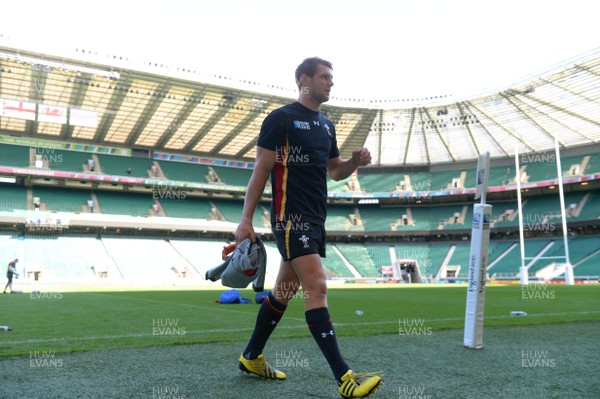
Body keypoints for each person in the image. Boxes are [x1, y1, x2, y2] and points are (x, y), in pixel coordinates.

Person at [234, 57, 382, 398]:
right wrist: (245, 220)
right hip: (290, 218)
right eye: (324, 77)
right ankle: (345, 378)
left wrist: (354, 163)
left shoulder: (326, 126)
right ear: (305, 80)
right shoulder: (281, 119)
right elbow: (261, 170)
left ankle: (250, 357)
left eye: (332, 77)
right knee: (317, 287)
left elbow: (335, 171)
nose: (331, 82)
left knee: (284, 291)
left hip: (316, 219)